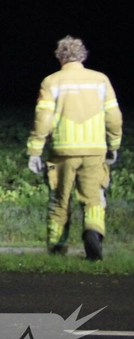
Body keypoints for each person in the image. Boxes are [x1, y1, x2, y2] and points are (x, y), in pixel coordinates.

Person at [26, 36, 122, 260]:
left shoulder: (51, 82)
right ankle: (93, 233)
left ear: (59, 57)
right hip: (95, 150)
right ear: (83, 56)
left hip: (62, 151)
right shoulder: (100, 80)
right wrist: (114, 144)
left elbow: (43, 119)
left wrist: (34, 150)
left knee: (59, 200)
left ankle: (57, 249)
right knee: (94, 198)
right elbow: (114, 117)